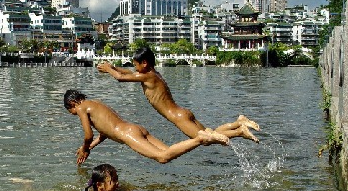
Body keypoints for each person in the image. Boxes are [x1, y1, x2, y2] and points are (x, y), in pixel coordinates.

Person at [97, 46, 260, 143]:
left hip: (178, 117)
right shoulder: (152, 74)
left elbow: (120, 78)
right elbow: (127, 73)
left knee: (205, 139)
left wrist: (109, 69)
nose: (135, 68)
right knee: (211, 131)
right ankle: (238, 122)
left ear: (144, 63)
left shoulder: (146, 76)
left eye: (136, 64)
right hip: (183, 112)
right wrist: (114, 66)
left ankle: (240, 132)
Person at [63, 89, 229, 165]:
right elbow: (104, 132)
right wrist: (89, 147)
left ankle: (200, 138)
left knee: (163, 158)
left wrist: (85, 147)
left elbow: (88, 135)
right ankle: (204, 137)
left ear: (72, 103)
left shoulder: (81, 107)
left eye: (70, 111)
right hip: (135, 128)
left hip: (127, 133)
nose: (73, 113)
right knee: (169, 152)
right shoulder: (95, 103)